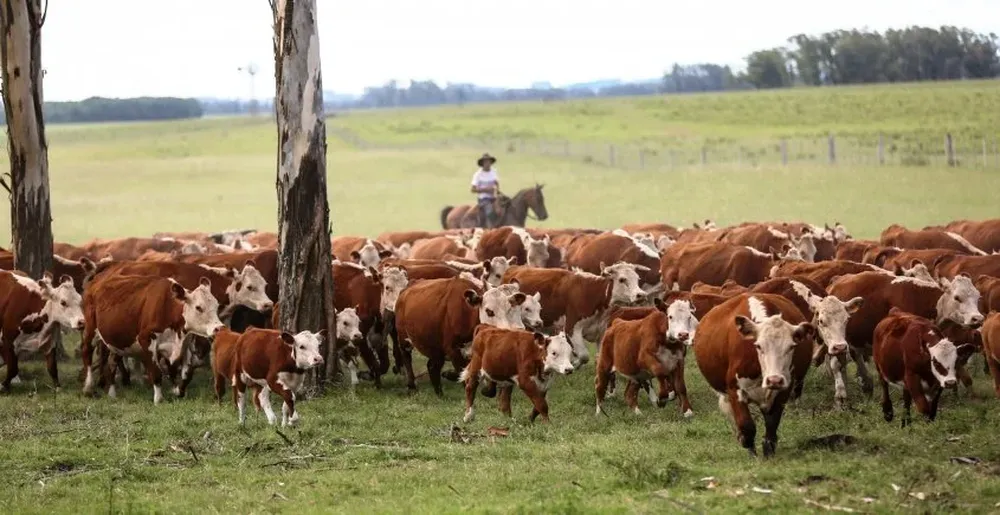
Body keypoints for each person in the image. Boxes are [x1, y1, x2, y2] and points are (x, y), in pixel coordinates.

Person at [470, 153, 500, 228]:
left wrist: (497, 190)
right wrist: (486, 190)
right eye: (486, 162)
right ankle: (490, 229)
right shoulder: (478, 174)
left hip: (494, 197)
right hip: (483, 199)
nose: (488, 163)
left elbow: (496, 183)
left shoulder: (494, 171)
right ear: (482, 163)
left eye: (489, 161)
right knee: (489, 211)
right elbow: (473, 189)